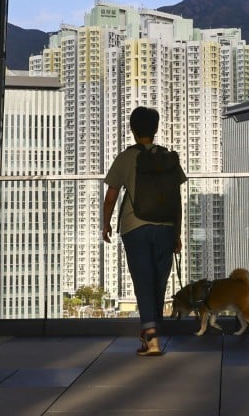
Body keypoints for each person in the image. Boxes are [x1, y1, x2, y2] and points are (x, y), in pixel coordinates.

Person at [102, 106, 186, 356]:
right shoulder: (168, 157)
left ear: (132, 129)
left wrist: (105, 224)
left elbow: (110, 197)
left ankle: (151, 336)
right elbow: (176, 198)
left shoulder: (127, 157)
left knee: (143, 280)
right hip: (166, 227)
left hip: (134, 226)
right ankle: (153, 330)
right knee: (159, 280)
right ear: (156, 129)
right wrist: (177, 233)